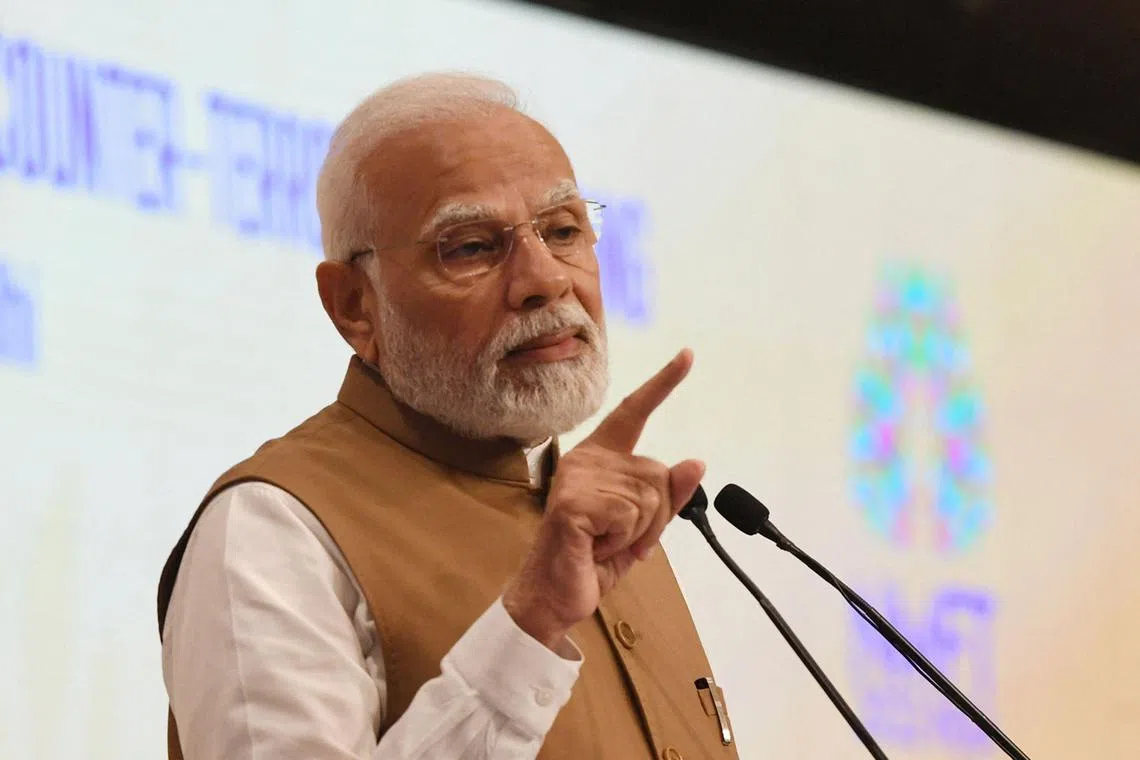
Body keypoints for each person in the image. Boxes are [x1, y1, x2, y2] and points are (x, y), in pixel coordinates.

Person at [157, 73, 739, 760]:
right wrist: (531, 624)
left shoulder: (605, 522)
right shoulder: (272, 529)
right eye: (470, 247)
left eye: (563, 231)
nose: (545, 280)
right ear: (353, 304)